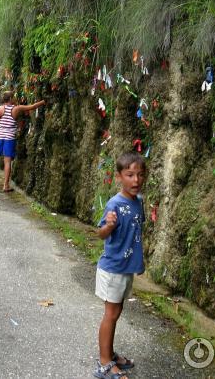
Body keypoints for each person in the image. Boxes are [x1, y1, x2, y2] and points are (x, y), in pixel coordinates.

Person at [94, 152, 147, 379]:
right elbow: (101, 233)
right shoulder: (114, 204)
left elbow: (136, 233)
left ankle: (110, 353)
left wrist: (139, 262)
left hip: (125, 268)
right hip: (113, 268)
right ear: (119, 177)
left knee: (116, 312)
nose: (136, 180)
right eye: (130, 175)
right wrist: (110, 226)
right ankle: (104, 363)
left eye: (140, 175)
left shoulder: (139, 202)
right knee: (110, 314)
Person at [0, 91, 45, 192]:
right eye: (14, 97)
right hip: (9, 138)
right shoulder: (17, 108)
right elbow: (32, 106)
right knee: (7, 161)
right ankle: (5, 185)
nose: (15, 98)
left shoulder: (0, 108)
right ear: (10, 98)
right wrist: (43, 101)